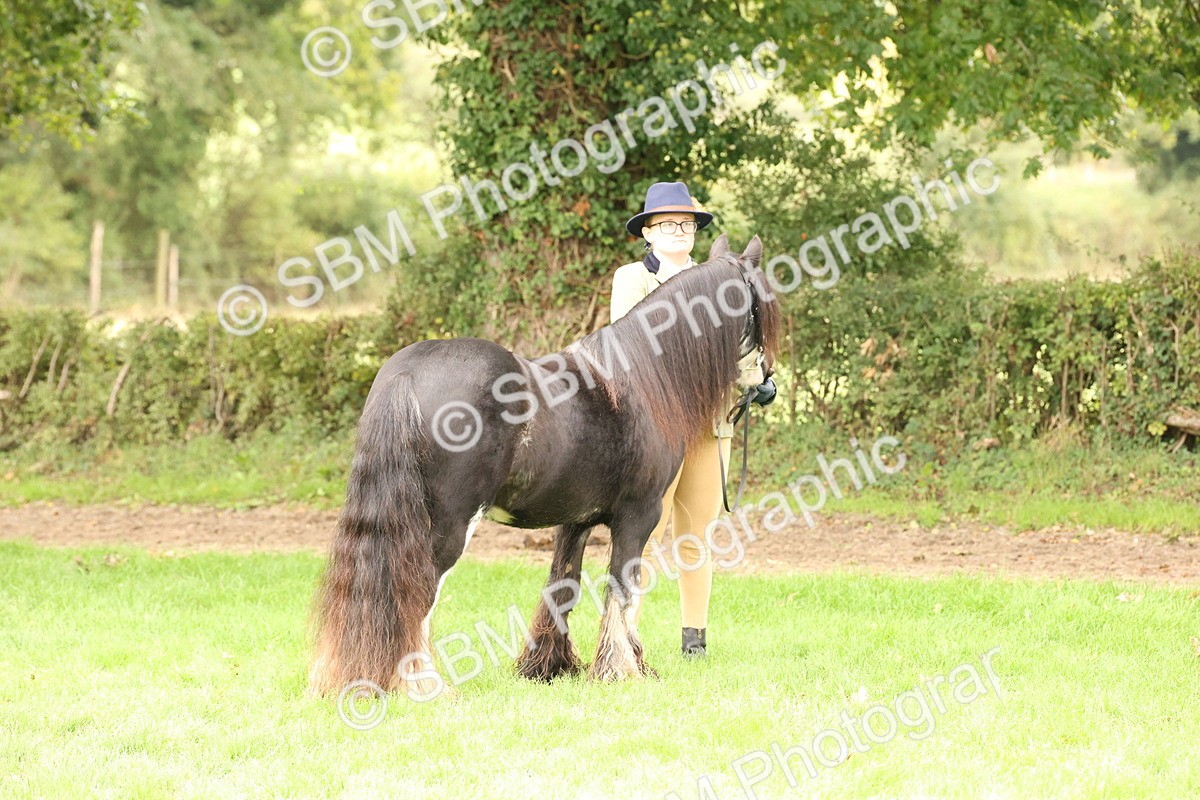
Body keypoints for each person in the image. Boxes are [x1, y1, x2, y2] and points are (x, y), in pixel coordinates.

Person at [608, 181, 776, 657]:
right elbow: (629, 347)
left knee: (696, 535)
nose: (679, 231)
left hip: (709, 426)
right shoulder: (632, 279)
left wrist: (756, 378)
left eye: (686, 224)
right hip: (658, 427)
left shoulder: (719, 280)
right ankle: (624, 635)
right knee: (646, 531)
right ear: (647, 232)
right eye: (667, 224)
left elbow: (740, 338)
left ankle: (694, 640)